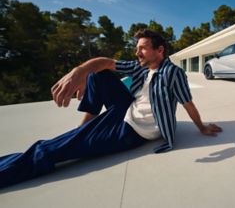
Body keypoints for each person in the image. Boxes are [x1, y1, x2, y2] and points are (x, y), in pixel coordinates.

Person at [0, 29, 222, 188]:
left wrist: (201, 127)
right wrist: (80, 71)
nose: (138, 53)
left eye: (143, 48)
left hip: (131, 131)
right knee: (99, 73)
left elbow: (187, 103)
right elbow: (105, 62)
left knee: (51, 150)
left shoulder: (173, 73)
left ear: (160, 50)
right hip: (126, 110)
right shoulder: (142, 67)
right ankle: (84, 129)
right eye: (137, 49)